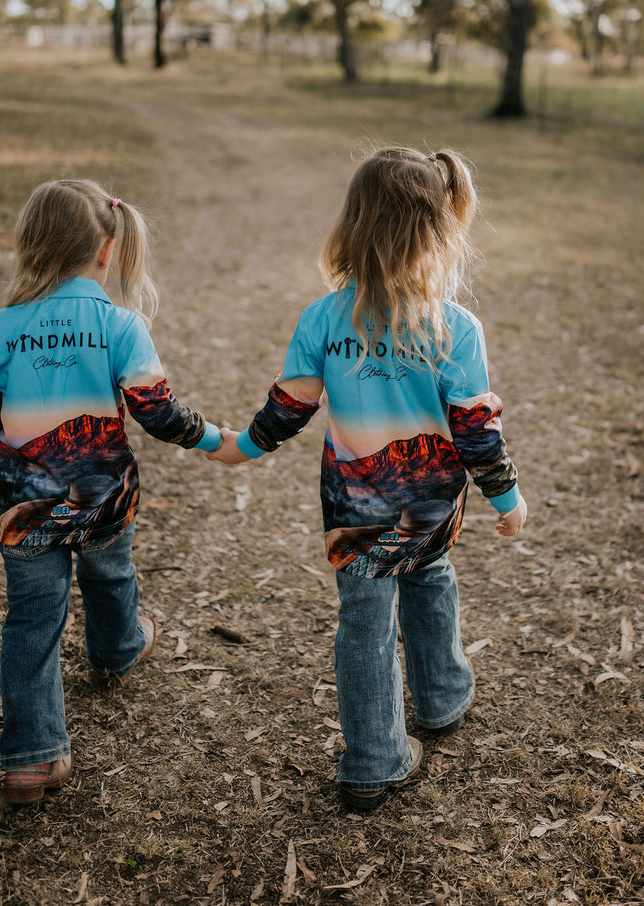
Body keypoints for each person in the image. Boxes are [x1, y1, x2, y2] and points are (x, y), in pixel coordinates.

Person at [208, 146, 527, 810]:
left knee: (362, 619)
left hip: (353, 505)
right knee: (431, 577)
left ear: (353, 222)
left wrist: (244, 445)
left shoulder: (324, 317)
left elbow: (288, 407)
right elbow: (475, 432)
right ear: (436, 227)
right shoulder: (454, 327)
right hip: (432, 502)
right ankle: (440, 700)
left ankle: (371, 762)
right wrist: (506, 496)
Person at [0, 179, 222, 804]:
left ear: (30, 247)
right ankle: (117, 651)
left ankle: (31, 759)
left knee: (31, 617)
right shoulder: (120, 325)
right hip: (103, 496)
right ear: (107, 251)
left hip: (23, 501)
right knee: (110, 574)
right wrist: (217, 439)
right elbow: (158, 413)